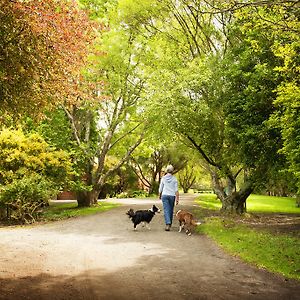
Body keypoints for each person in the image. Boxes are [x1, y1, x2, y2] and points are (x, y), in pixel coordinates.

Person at [158, 165, 179, 231]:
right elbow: (176, 190)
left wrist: (159, 195)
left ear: (167, 171)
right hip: (172, 196)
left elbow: (160, 188)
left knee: (166, 209)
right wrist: (177, 199)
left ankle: (168, 224)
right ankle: (169, 223)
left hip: (165, 195)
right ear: (172, 171)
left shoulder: (163, 178)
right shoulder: (174, 179)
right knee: (170, 209)